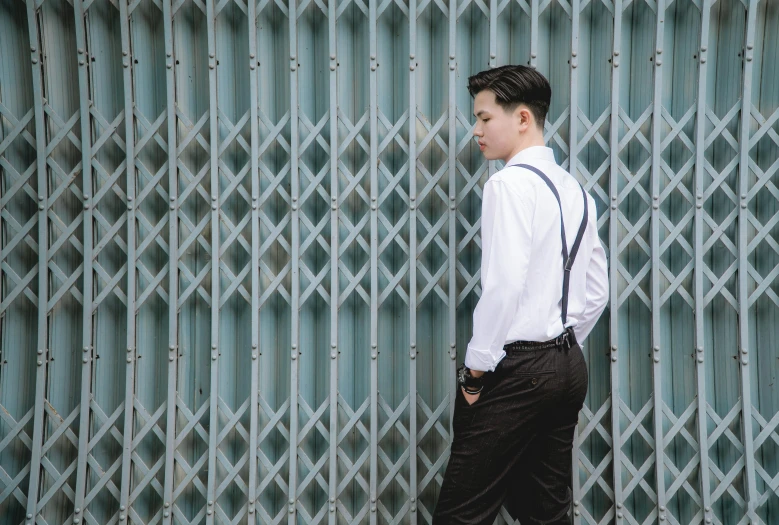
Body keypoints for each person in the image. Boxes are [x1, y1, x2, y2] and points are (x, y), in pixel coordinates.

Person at [432, 65, 609, 524]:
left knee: (462, 511)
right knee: (545, 511)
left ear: (523, 118)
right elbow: (595, 292)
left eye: (485, 118)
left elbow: (504, 284)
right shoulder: (576, 191)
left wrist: (476, 370)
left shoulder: (508, 184)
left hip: (518, 370)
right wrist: (560, 347)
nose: (476, 131)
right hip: (567, 367)